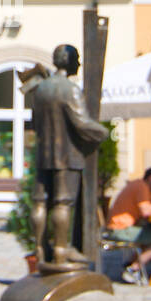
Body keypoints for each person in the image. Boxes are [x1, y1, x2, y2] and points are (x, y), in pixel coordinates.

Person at [29, 44, 107, 268]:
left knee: (40, 201)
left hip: (43, 155)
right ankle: (62, 251)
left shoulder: (40, 89)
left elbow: (34, 123)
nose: (79, 64)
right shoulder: (70, 89)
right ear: (69, 61)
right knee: (63, 202)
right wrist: (102, 132)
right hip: (67, 155)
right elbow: (81, 123)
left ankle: (40, 249)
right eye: (77, 59)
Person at [107, 167, 151, 281]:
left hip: (118, 227)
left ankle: (130, 264)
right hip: (121, 229)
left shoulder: (139, 185)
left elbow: (148, 207)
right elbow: (146, 212)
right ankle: (133, 268)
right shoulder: (141, 187)